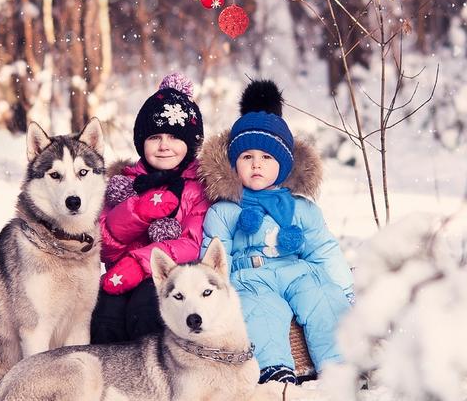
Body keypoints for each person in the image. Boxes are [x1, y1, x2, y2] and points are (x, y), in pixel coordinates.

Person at [198, 80, 355, 384]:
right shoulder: (224, 210)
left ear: (282, 166)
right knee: (261, 311)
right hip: (251, 277)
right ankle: (275, 368)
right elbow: (215, 260)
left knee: (323, 297)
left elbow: (322, 248)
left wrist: (344, 289)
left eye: (267, 158)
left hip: (297, 271)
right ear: (234, 165)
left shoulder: (300, 208)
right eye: (247, 158)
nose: (256, 165)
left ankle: (338, 364)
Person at [91, 73, 210, 344]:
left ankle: (150, 376)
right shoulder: (124, 185)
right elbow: (104, 244)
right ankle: (108, 376)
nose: (164, 145)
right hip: (118, 276)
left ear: (191, 143)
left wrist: (138, 263)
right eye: (155, 136)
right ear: (141, 142)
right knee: (103, 314)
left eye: (174, 137)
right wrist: (136, 212)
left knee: (146, 311)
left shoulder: (199, 187)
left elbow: (193, 243)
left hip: (171, 278)